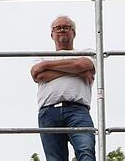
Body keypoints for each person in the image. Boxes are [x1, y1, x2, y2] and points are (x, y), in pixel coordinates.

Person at [30, 15, 96, 161]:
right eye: (58, 28)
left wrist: (46, 66)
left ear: (74, 33)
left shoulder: (86, 53)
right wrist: (76, 71)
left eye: (66, 27)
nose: (62, 30)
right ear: (52, 34)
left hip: (78, 110)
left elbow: (81, 65)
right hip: (49, 111)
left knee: (86, 151)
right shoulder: (41, 57)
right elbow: (38, 75)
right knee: (55, 158)